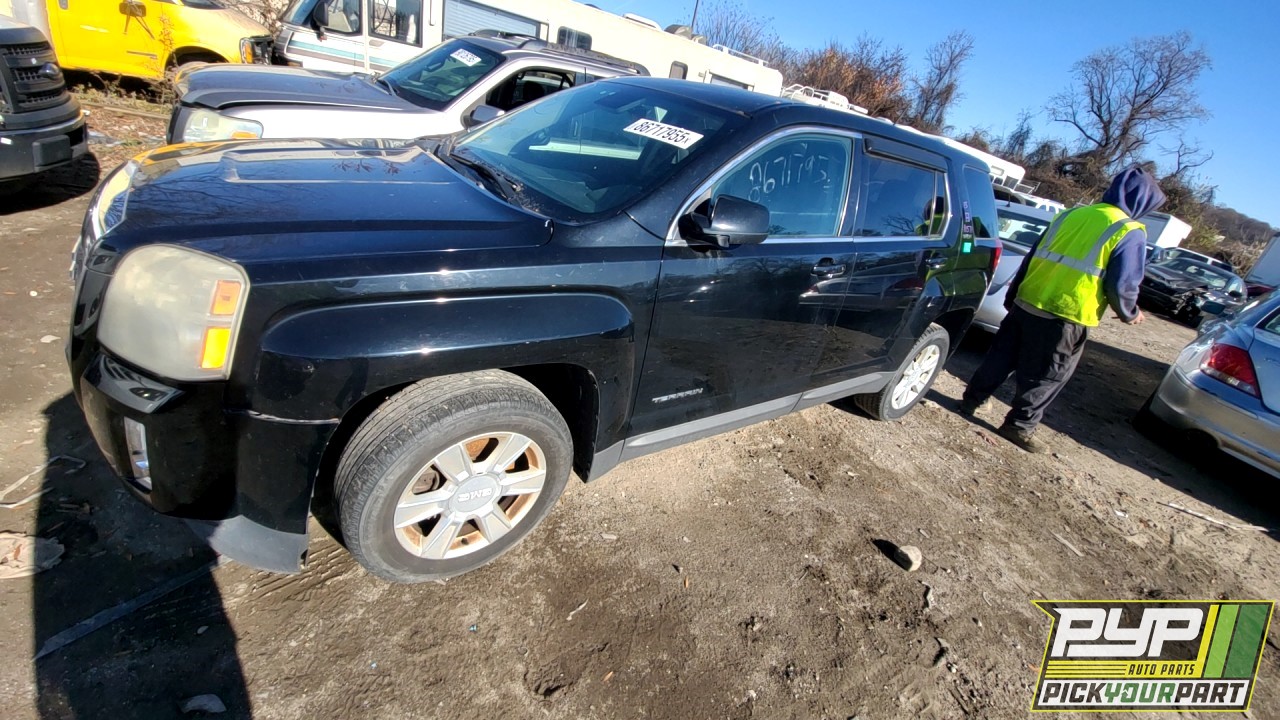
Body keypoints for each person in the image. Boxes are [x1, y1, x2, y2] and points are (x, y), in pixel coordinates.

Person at [959, 165, 1167, 452]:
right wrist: (1130, 313)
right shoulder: (1129, 231)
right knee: (1047, 375)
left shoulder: (1072, 214)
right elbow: (1123, 283)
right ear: (1142, 202)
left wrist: (1014, 293)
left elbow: (1034, 254)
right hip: (1067, 314)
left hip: (1028, 299)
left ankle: (970, 401)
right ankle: (1018, 426)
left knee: (1001, 357)